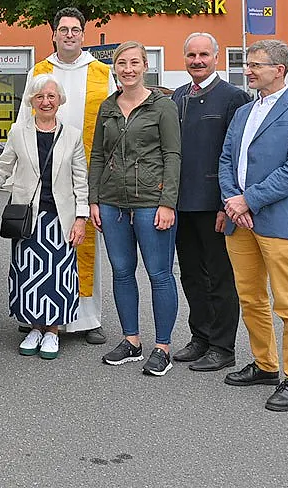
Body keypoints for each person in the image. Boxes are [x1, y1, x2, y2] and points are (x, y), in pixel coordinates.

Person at [219, 40, 288, 412]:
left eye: (255, 65)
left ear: (279, 69)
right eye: (248, 64)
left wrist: (249, 199)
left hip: (279, 222)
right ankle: (265, 364)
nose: (248, 70)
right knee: (250, 297)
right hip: (239, 221)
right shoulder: (244, 112)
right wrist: (233, 200)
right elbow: (227, 158)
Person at [0, 74, 89, 360]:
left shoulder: (72, 135)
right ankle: (34, 327)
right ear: (32, 101)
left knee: (60, 276)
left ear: (59, 100)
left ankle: (53, 331)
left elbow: (81, 180)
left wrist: (81, 218)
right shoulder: (18, 132)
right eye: (40, 97)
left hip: (61, 218)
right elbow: (3, 167)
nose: (46, 101)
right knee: (28, 273)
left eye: (51, 96)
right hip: (27, 216)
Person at [16, 7, 116, 345]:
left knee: (85, 244)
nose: (70, 34)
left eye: (75, 29)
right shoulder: (40, 71)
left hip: (89, 169)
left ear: (83, 35)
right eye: (63, 29)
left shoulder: (102, 72)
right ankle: (36, 314)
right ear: (54, 35)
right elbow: (22, 125)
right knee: (41, 248)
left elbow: (114, 124)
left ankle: (88, 318)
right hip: (46, 175)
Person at [89, 41, 181, 377]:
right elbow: (99, 155)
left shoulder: (162, 106)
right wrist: (94, 199)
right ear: (115, 67)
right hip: (113, 203)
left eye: (134, 63)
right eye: (122, 63)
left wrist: (168, 202)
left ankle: (163, 347)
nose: (128, 69)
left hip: (150, 203)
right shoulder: (108, 107)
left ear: (145, 66)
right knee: (122, 272)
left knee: (159, 275)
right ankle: (131, 341)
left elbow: (173, 156)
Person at [170, 33, 250, 372]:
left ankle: (222, 346)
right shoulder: (178, 97)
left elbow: (235, 155)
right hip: (180, 203)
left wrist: (225, 205)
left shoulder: (234, 97)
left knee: (220, 277)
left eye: (204, 54)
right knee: (191, 274)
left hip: (215, 205)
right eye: (191, 55)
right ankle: (200, 336)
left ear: (216, 58)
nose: (197, 61)